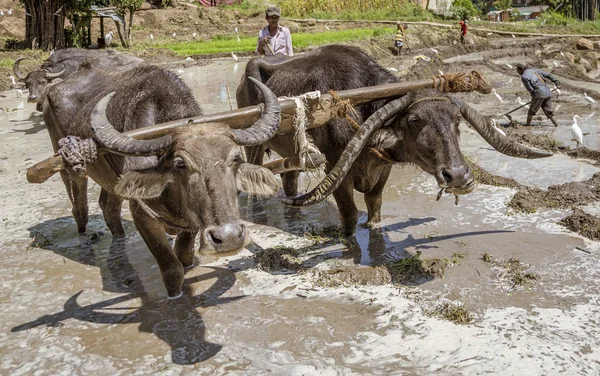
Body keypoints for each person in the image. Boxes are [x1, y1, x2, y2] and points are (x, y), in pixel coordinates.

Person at [515, 63, 561, 127]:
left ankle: (527, 126)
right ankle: (557, 125)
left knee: (531, 111)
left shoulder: (524, 77)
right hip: (547, 92)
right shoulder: (535, 71)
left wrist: (535, 98)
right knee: (548, 112)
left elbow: (530, 89)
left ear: (521, 69)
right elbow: (549, 75)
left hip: (538, 93)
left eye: (517, 70)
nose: (517, 72)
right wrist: (556, 82)